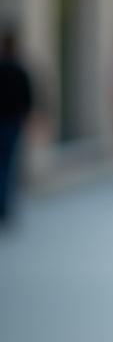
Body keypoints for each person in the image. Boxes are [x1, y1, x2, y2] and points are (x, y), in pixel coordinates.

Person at [0, 23, 35, 227]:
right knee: (9, 164)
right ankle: (6, 205)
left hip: (6, 122)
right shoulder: (20, 70)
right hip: (13, 123)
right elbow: (28, 99)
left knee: (3, 164)